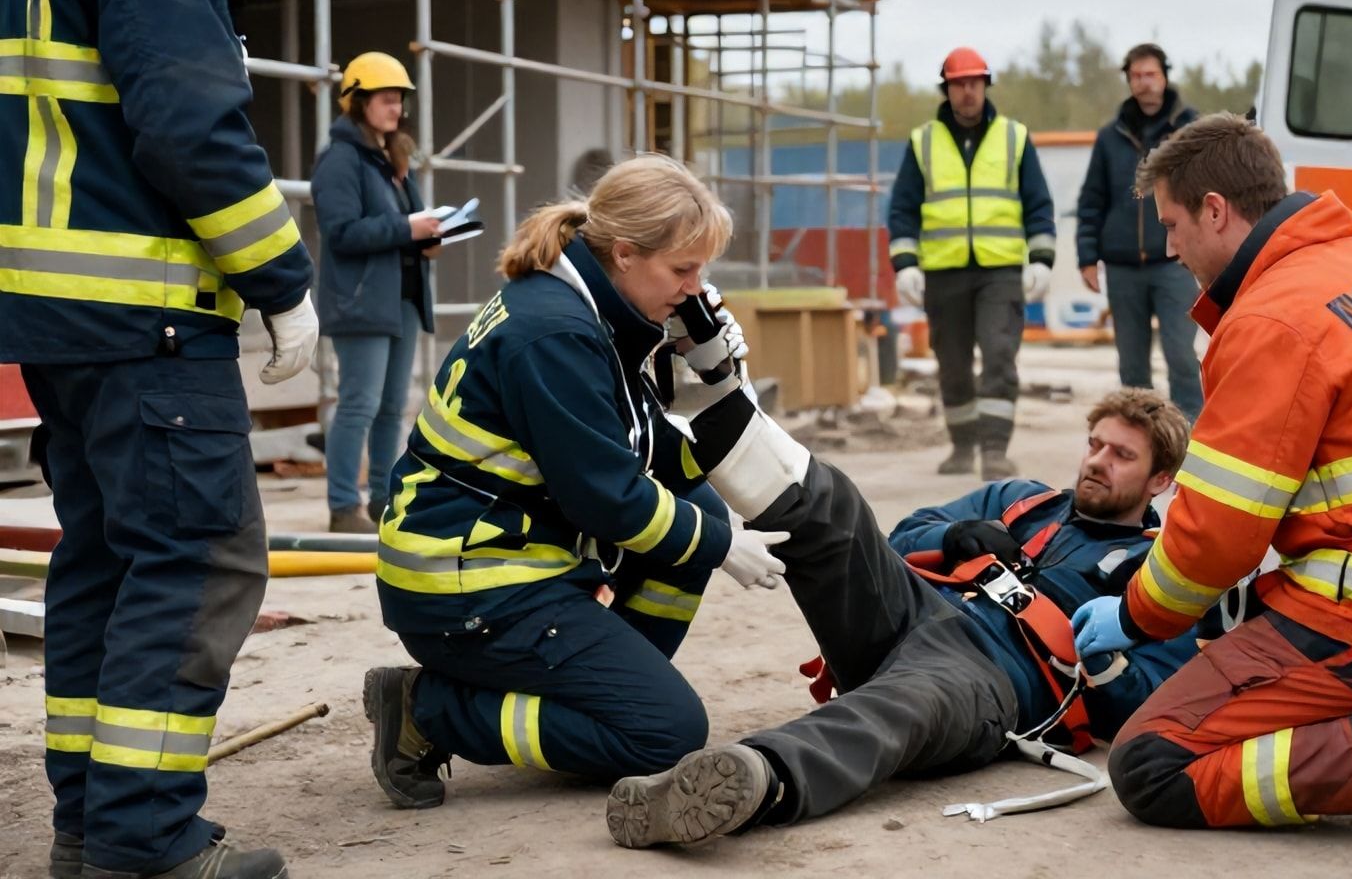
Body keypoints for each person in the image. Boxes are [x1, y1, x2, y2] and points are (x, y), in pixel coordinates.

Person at [1073, 115, 1352, 860]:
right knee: (1233, 625)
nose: (1169, 247)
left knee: (1153, 760)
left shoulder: (1271, 320)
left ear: (1217, 210)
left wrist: (1136, 614)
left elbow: (1213, 540)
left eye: (1175, 223)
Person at [3, 0, 319, 876]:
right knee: (195, 564)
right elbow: (190, 127)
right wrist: (280, 277)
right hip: (151, 321)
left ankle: (91, 831)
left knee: (100, 567)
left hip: (62, 321)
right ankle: (142, 843)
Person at [360, 155, 787, 812]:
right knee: (665, 732)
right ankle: (427, 710)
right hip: (468, 588)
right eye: (682, 271)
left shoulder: (587, 311)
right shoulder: (556, 334)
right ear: (624, 255)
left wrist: (723, 385)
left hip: (495, 562)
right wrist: (723, 547)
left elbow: (657, 453)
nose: (697, 290)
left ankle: (605, 685)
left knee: (695, 509)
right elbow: (608, 497)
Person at [606, 388, 1208, 847]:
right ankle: (718, 404)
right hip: (907, 611)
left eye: (1121, 455)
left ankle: (758, 777)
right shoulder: (1020, 501)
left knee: (896, 710)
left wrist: (1106, 661)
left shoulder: (1157, 578)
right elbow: (900, 538)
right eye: (1095, 444)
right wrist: (953, 538)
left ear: (1160, 479)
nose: (1098, 462)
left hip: (986, 677)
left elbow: (1147, 702)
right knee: (839, 511)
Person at [887, 46, 1056, 480]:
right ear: (947, 89)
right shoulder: (923, 141)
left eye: (975, 83)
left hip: (999, 271)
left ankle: (995, 450)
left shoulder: (1013, 137)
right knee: (953, 362)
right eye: (960, 83)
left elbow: (1038, 202)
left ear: (985, 86)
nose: (968, 91)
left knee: (999, 354)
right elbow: (903, 207)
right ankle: (963, 447)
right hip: (943, 271)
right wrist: (906, 262)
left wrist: (1041, 259)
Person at [312, 52, 442, 534]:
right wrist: (407, 227)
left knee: (392, 407)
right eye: (387, 100)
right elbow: (341, 231)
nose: (396, 109)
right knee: (359, 405)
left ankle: (384, 501)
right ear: (358, 101)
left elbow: (411, 224)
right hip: (362, 302)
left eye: (399, 100)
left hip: (403, 299)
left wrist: (432, 234)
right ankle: (344, 506)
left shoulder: (394, 159)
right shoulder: (340, 161)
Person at [1077, 42, 1203, 421]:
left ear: (1165, 76)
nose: (1144, 82)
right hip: (1122, 267)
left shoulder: (1191, 129)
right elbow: (1091, 200)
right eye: (1136, 76)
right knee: (1131, 366)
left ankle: (1194, 436)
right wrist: (1087, 257)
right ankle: (1143, 438)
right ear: (1128, 80)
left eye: (1151, 74)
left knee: (1181, 354)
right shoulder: (1110, 137)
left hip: (1176, 262)